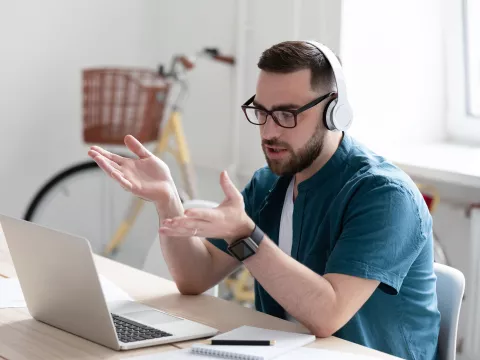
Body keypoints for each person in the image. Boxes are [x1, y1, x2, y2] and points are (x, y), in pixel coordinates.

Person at [88, 40, 440, 359]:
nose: (269, 131)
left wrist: (245, 236)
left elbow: (327, 315)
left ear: (335, 111)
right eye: (262, 112)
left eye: (287, 115)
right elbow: (196, 278)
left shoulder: (384, 196)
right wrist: (167, 200)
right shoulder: (272, 181)